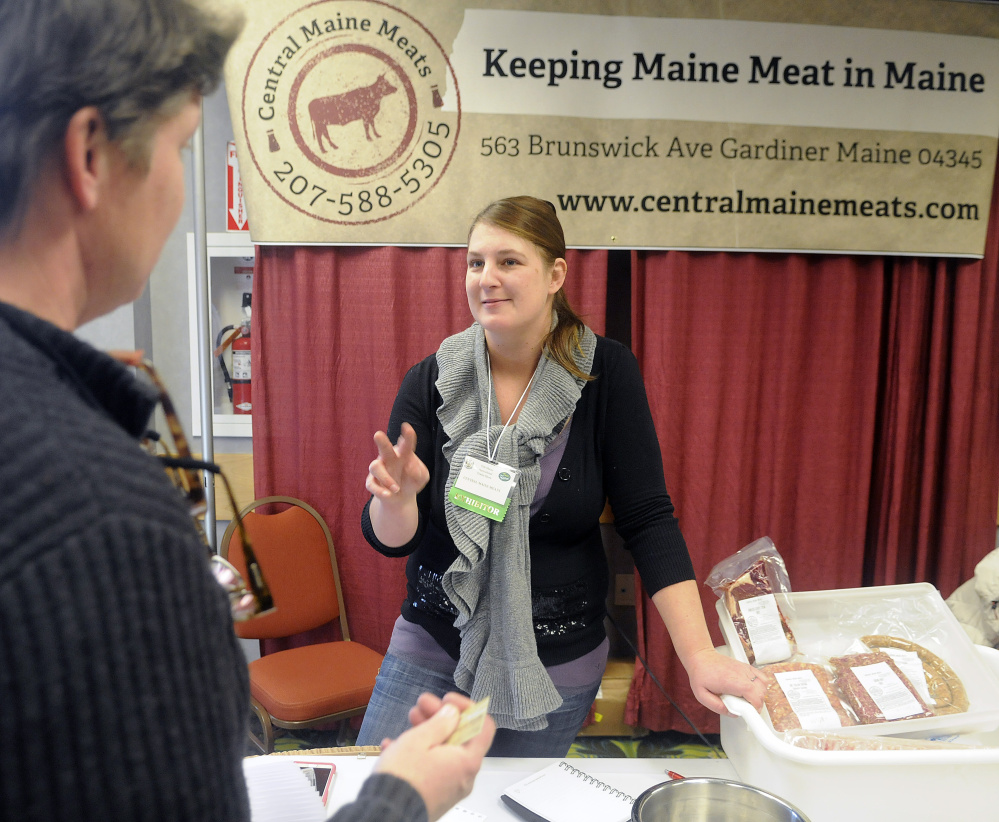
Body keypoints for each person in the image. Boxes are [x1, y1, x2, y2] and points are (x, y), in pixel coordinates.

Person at [0, 2, 492, 821]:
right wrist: (405, 795)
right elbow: (392, 532)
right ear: (89, 154)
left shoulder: (594, 385)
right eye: (181, 148)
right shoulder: (103, 525)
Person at [359, 195, 769, 756]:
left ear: (555, 274)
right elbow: (390, 538)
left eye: (509, 261)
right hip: (435, 649)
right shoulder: (433, 378)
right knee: (392, 801)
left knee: (510, 810)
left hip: (556, 661)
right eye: (475, 262)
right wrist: (398, 498)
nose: (487, 278)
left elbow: (648, 520)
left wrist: (698, 656)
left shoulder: (606, 373)